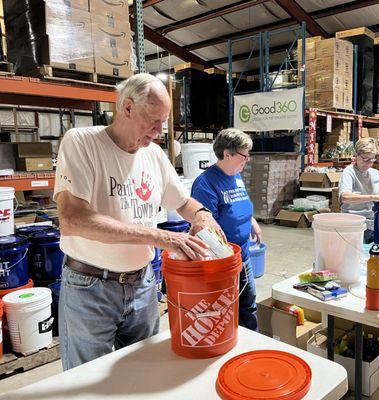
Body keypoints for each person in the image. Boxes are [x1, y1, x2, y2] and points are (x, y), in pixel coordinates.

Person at [54, 73, 223, 370]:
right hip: (90, 287)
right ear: (128, 108)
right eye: (153, 120)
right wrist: (162, 238)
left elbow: (183, 202)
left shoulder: (153, 155)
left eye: (164, 122)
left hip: (143, 284)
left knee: (144, 371)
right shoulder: (82, 143)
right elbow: (73, 220)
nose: (159, 131)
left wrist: (201, 215)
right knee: (85, 379)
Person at [191, 128, 261, 331]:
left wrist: (252, 221)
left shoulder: (235, 175)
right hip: (223, 261)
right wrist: (227, 259)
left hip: (243, 254)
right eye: (244, 155)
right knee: (224, 308)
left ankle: (251, 343)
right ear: (227, 154)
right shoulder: (205, 183)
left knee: (248, 305)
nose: (247, 160)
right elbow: (205, 229)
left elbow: (238, 204)